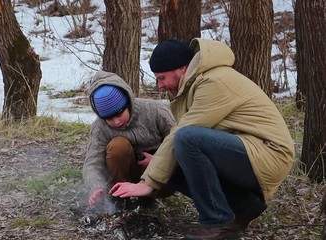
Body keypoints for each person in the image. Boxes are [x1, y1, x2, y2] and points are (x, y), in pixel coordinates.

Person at [109, 38, 295, 240]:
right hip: (248, 151)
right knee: (174, 157)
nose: (160, 85)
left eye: (162, 78)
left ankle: (218, 222)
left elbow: (184, 131)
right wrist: (159, 167)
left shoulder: (214, 82)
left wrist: (148, 182)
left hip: (269, 154)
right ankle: (243, 205)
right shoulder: (196, 83)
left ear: (181, 69)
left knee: (186, 139)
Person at [83, 70, 175, 208]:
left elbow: (177, 141)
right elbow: (92, 163)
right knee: (118, 146)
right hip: (123, 175)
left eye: (119, 114)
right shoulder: (99, 127)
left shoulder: (155, 111)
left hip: (160, 177)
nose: (116, 122)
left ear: (128, 102)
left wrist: (157, 161)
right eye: (109, 118)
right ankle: (122, 197)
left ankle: (147, 198)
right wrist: (96, 187)